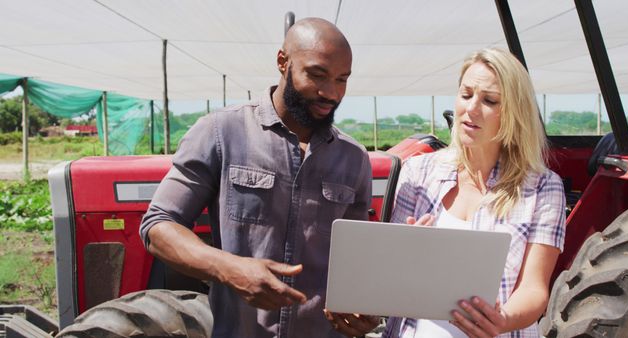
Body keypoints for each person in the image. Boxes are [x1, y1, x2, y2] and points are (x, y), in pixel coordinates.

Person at [140, 17, 378, 338]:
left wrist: (362, 306)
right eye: (317, 74)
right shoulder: (221, 132)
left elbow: (356, 259)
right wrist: (229, 268)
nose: (330, 92)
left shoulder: (354, 158)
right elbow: (158, 226)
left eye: (342, 79)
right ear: (283, 62)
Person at [383, 48, 566, 338]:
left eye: (489, 100)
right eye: (466, 95)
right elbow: (387, 274)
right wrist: (406, 250)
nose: (471, 108)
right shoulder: (417, 172)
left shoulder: (543, 187)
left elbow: (533, 288)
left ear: (514, 114)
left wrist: (502, 319)